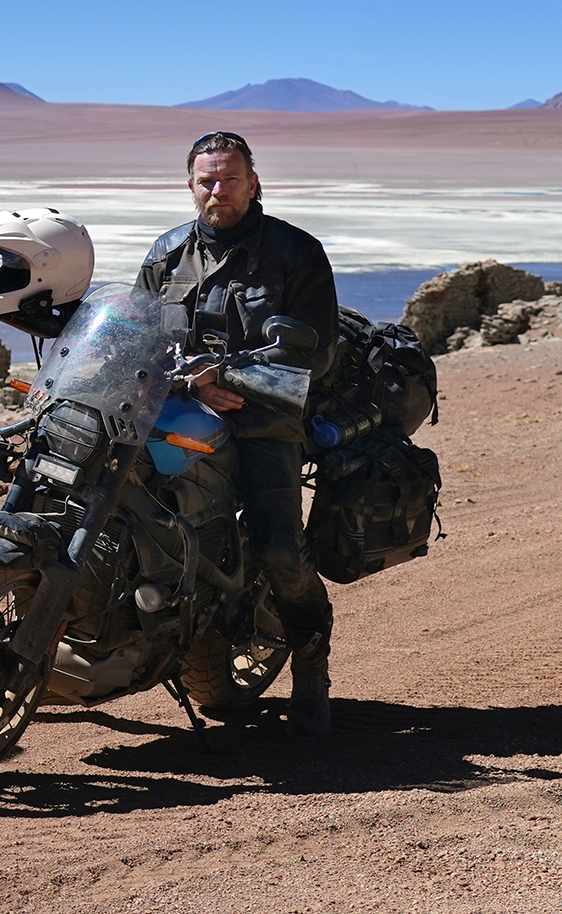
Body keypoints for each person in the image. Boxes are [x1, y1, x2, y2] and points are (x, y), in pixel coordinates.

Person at [136, 132, 340, 738]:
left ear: (254, 183)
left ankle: (311, 666)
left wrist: (229, 377)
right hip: (177, 409)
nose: (217, 190)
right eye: (206, 180)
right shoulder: (167, 254)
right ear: (190, 185)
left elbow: (318, 353)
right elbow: (137, 333)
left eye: (229, 179)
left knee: (279, 546)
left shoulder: (295, 252)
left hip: (263, 419)